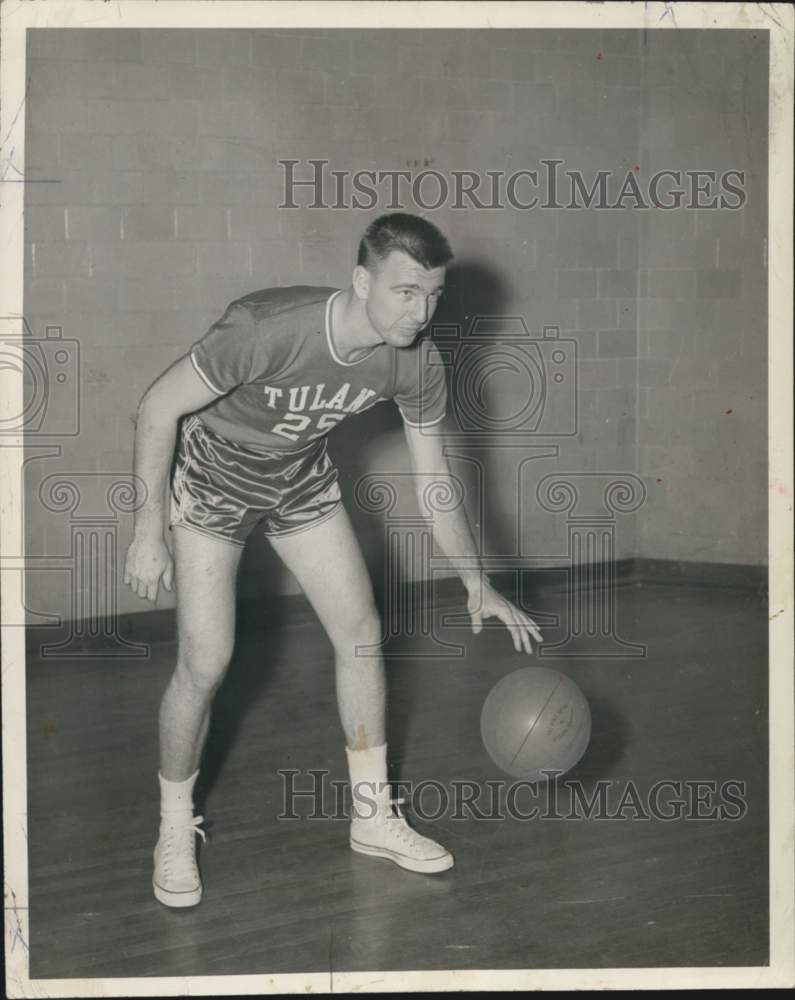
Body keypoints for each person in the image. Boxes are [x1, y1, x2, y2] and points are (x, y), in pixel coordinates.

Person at [123, 212, 543, 908]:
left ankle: (372, 816)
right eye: (405, 292)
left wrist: (476, 581)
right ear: (360, 281)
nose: (421, 310)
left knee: (362, 634)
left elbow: (434, 481)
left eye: (433, 294)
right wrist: (146, 530)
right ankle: (172, 827)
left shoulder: (415, 358)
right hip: (213, 480)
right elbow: (156, 408)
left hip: (297, 479)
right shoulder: (266, 326)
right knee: (206, 661)